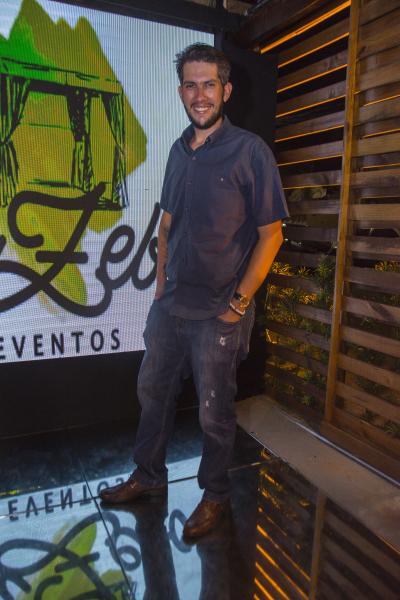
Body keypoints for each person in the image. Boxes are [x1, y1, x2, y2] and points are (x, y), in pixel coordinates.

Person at [99, 43, 289, 539]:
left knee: (214, 412)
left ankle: (216, 494)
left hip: (219, 311)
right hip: (171, 307)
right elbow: (166, 223)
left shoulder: (251, 151)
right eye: (190, 84)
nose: (199, 94)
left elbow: (271, 235)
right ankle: (148, 475)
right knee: (152, 393)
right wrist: (160, 285)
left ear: (226, 90)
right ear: (180, 91)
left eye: (209, 84)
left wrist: (238, 305)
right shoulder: (178, 150)